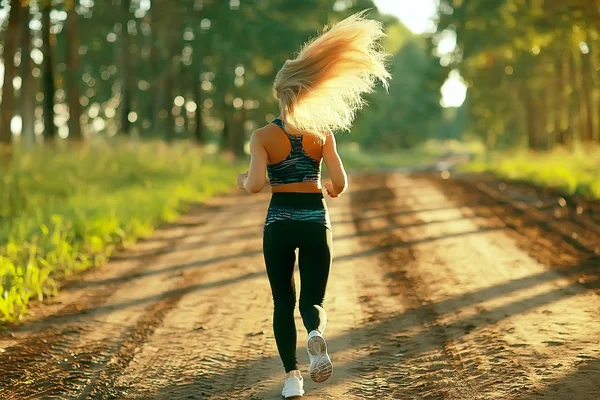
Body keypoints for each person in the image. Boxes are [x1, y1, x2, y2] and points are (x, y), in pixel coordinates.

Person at [237, 10, 390, 398]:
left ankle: (292, 379)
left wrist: (244, 180)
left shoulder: (262, 136)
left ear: (280, 93)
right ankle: (316, 333)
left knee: (282, 300)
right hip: (315, 218)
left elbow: (256, 185)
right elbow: (339, 182)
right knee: (313, 298)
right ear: (309, 91)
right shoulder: (323, 136)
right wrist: (332, 187)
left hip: (279, 222)